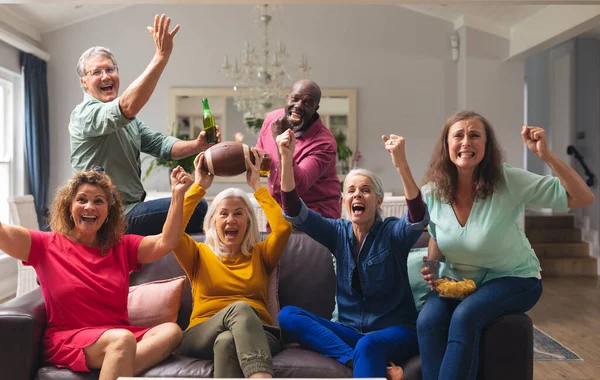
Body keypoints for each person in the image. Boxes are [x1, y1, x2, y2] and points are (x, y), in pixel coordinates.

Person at [418, 110, 595, 380]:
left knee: (466, 315)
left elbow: (582, 197)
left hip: (515, 278)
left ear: (486, 147)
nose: (466, 142)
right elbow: (435, 235)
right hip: (461, 281)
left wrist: (545, 154)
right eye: (459, 135)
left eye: (475, 135)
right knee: (428, 321)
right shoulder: (433, 192)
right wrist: (434, 265)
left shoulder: (508, 179)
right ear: (447, 146)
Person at [0, 166, 194, 379]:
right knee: (122, 341)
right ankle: (119, 361)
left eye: (98, 201)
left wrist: (177, 194)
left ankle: (117, 364)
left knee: (171, 331)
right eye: (81, 199)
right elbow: (3, 233)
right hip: (70, 338)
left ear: (108, 211)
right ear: (69, 205)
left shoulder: (121, 246)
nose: (89, 207)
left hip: (118, 337)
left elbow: (166, 241)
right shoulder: (45, 245)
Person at [276, 128, 429, 379]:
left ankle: (361, 355)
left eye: (366, 190)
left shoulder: (392, 232)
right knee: (288, 316)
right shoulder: (336, 232)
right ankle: (355, 359)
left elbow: (417, 216)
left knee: (369, 344)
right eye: (351, 190)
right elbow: (294, 211)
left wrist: (400, 164)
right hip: (349, 331)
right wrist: (285, 157)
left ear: (378, 201)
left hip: (396, 332)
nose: (357, 194)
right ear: (343, 200)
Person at [69, 14, 219, 236]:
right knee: (197, 206)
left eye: (110, 69)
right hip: (110, 217)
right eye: (96, 72)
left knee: (194, 209)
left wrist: (198, 144)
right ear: (83, 82)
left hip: (130, 209)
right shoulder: (84, 114)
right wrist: (161, 56)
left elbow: (162, 146)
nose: (105, 76)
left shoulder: (130, 123)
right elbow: (127, 106)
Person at [170, 149, 292, 378]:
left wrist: (257, 185)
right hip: (202, 332)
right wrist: (199, 187)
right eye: (223, 214)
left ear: (248, 221)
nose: (230, 220)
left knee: (227, 341)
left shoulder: (261, 253)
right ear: (213, 221)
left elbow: (283, 228)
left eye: (238, 214)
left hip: (258, 333)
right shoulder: (198, 253)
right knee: (241, 308)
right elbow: (173, 234)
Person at [256, 79, 341, 219]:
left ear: (315, 109)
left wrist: (281, 145)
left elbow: (297, 186)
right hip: (278, 214)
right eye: (294, 98)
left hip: (316, 219)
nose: (298, 106)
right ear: (287, 98)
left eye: (307, 103)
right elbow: (259, 160)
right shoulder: (272, 119)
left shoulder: (324, 143)